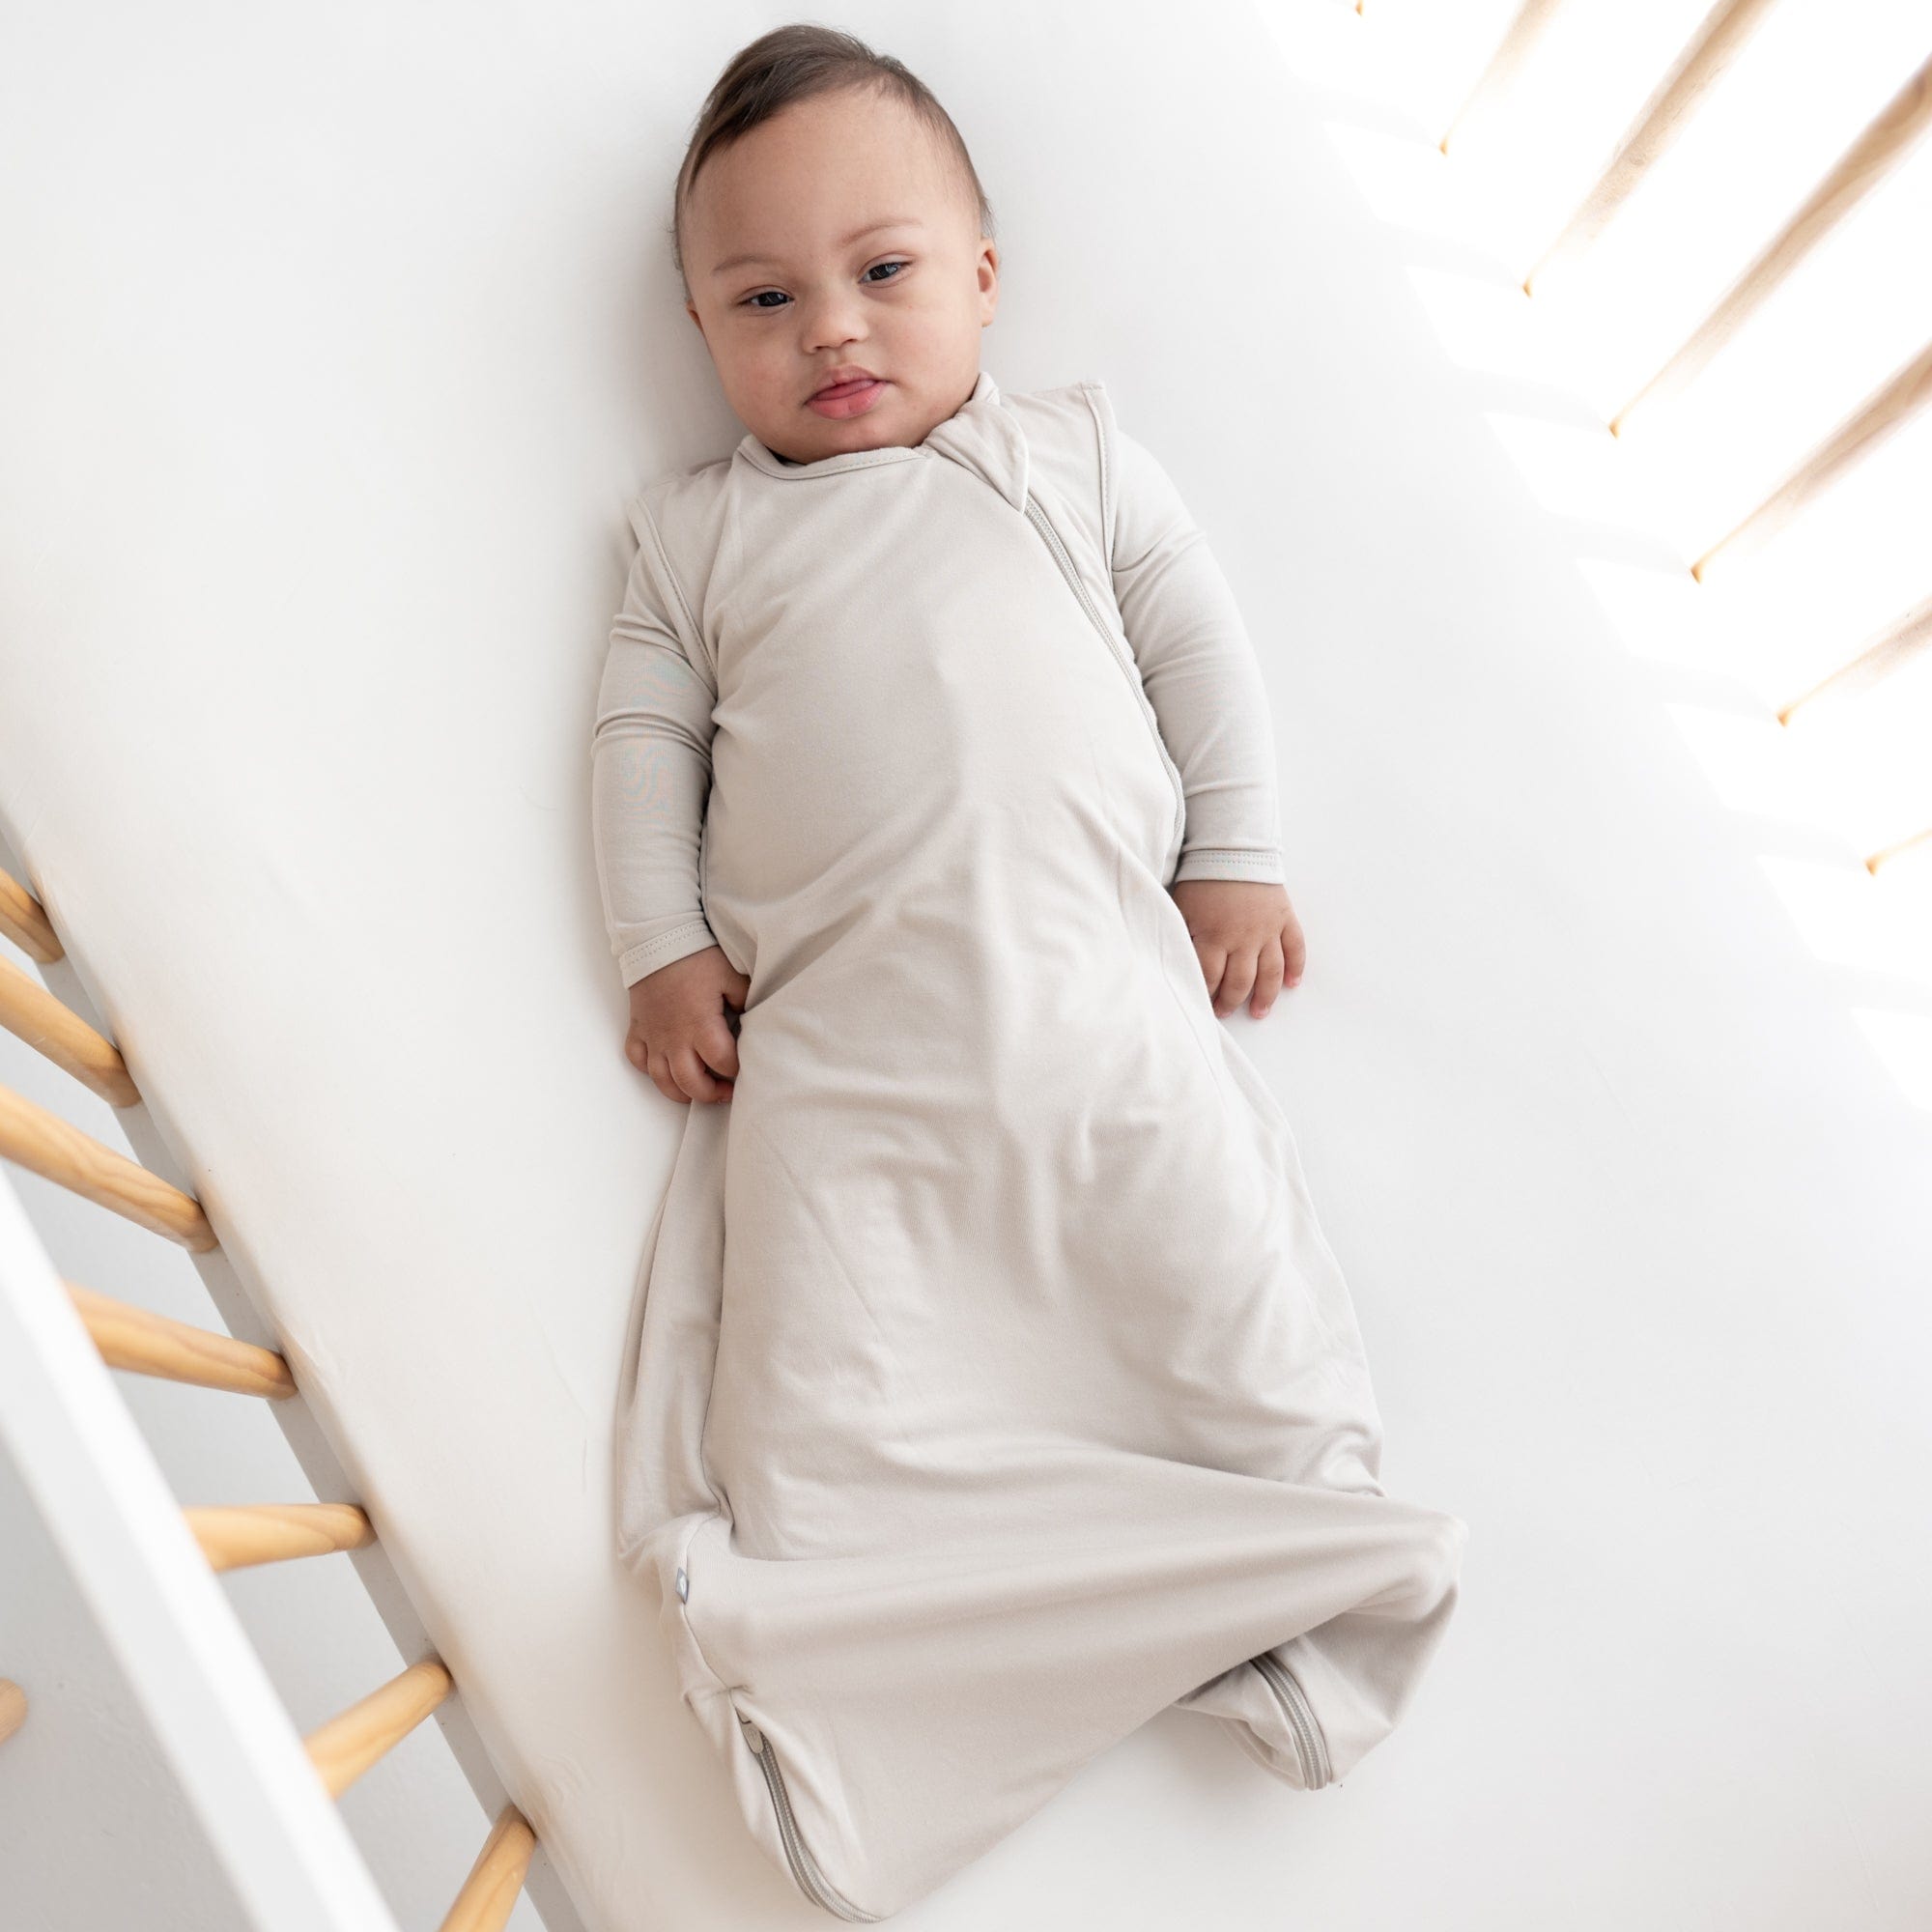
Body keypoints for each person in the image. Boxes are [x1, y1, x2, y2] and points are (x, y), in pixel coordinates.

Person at [591, 24, 1468, 1922]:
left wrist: (1230, 849)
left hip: (1101, 1009)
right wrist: (658, 948)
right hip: (845, 1056)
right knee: (817, 1375)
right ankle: (861, 1657)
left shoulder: (1066, 455)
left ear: (984, 278)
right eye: (762, 296)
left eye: (883, 273)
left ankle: (1294, 1585)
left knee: (1223, 1280)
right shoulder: (696, 538)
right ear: (697, 327)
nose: (830, 327)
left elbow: (1193, 640)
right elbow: (638, 755)